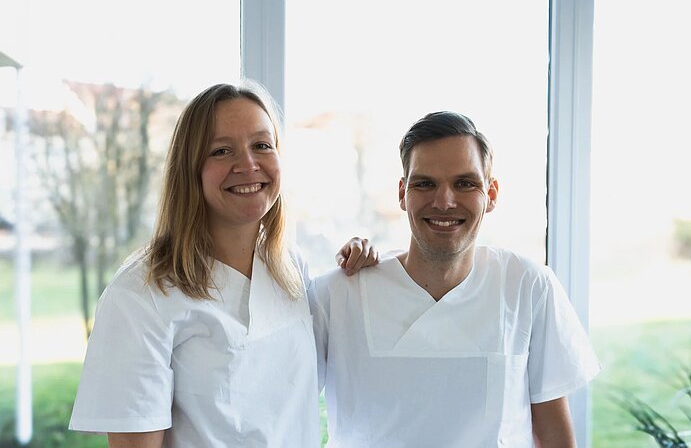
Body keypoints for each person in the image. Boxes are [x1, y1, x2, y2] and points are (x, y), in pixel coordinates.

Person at [68, 81, 378, 448]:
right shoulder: (140, 294)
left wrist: (360, 264)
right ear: (190, 169)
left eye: (262, 145)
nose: (248, 165)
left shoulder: (290, 267)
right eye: (221, 151)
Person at [310, 111, 601, 447]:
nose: (444, 202)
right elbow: (284, 407)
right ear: (402, 193)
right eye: (425, 184)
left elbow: (553, 434)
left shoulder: (528, 286)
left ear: (491, 194)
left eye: (464, 183)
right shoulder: (339, 293)